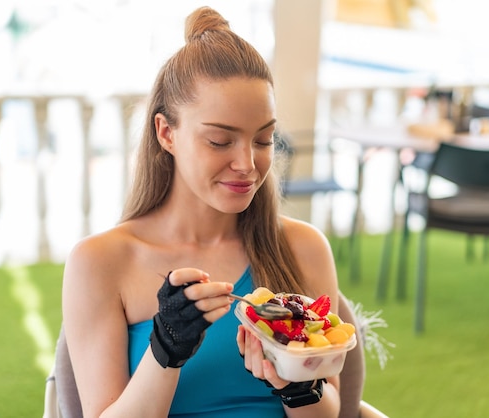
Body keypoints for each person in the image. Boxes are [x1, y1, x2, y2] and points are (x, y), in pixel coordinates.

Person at [62, 6, 341, 417]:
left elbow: (330, 411)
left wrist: (296, 388)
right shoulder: (100, 263)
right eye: (219, 141)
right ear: (166, 132)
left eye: (263, 140)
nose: (247, 164)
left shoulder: (304, 248)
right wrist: (166, 352)